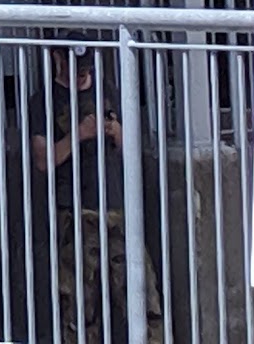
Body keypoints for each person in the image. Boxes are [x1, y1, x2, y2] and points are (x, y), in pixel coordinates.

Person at [26, 46, 163, 344]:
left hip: (116, 205)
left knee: (142, 291)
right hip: (75, 211)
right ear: (57, 58)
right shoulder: (44, 100)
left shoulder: (107, 89)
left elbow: (132, 147)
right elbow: (43, 160)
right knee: (79, 302)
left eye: (86, 67)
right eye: (76, 67)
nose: (82, 74)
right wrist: (79, 133)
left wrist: (116, 131)